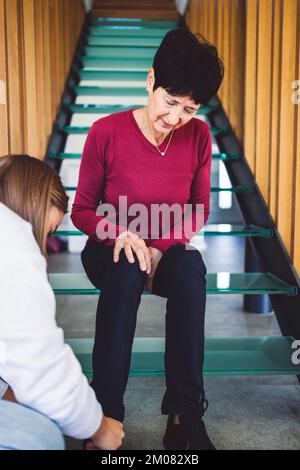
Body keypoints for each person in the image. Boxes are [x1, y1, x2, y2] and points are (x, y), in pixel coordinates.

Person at [71, 28, 224, 450]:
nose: (175, 118)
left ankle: (184, 415)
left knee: (192, 269)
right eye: (169, 102)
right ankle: (105, 414)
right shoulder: (105, 132)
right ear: (150, 79)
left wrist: (160, 246)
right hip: (109, 248)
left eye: (189, 109)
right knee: (124, 266)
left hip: (166, 249)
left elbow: (198, 208)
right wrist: (120, 233)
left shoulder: (199, 136)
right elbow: (81, 210)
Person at [0, 155, 124, 450]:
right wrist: (99, 426)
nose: (43, 245)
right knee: (42, 437)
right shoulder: (12, 245)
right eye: (46, 232)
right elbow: (41, 362)